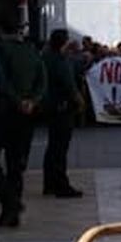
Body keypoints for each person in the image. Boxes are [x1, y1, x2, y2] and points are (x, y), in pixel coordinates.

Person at [0, 14, 46, 228]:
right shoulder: (30, 50)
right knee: (15, 163)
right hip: (26, 113)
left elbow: (0, 82)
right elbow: (42, 80)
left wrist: (17, 101)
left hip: (4, 111)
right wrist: (32, 101)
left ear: (0, 31)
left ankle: (10, 203)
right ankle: (12, 213)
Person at [40, 29, 86, 199]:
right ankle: (61, 185)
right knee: (60, 148)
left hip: (51, 106)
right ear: (63, 42)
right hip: (62, 106)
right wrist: (80, 100)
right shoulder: (59, 60)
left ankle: (49, 183)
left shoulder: (46, 56)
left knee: (52, 147)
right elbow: (69, 83)